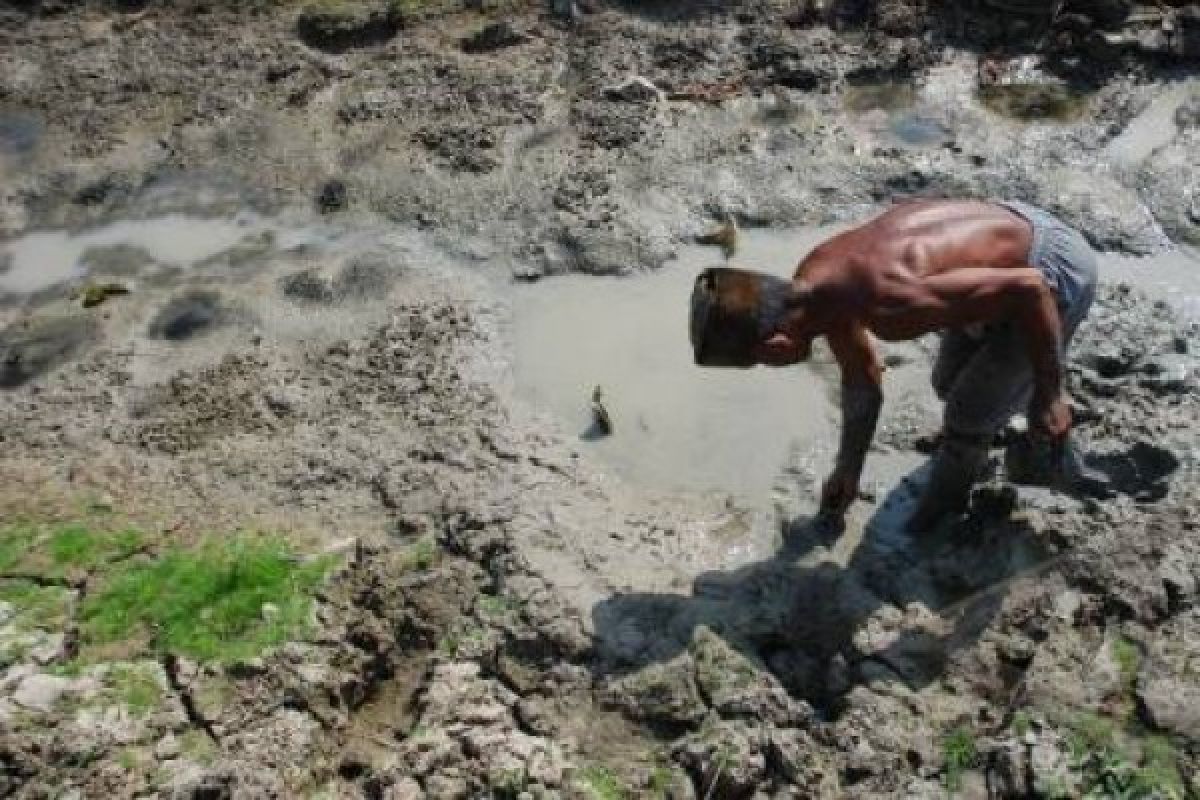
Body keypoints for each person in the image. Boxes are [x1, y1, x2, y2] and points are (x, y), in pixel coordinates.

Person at [688, 199, 1098, 529]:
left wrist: (1050, 391)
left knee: (968, 413)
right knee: (947, 383)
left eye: (761, 362)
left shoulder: (889, 305)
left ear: (776, 343)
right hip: (1004, 236)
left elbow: (1030, 289)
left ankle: (947, 514)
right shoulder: (816, 283)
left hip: (1050, 270)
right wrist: (849, 469)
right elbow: (862, 379)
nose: (770, 367)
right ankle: (1007, 417)